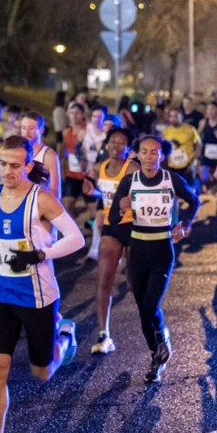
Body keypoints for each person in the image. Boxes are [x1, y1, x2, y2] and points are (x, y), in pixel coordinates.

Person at [0, 135, 84, 433]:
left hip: (38, 299)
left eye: (15, 165)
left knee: (42, 372)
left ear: (29, 166)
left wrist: (40, 254)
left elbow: (76, 238)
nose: (7, 171)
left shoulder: (41, 200)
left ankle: (65, 338)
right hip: (2, 297)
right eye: (2, 164)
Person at [109, 136, 199, 382]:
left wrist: (184, 224)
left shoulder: (171, 179)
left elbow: (194, 201)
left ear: (162, 156)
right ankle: (155, 357)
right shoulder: (130, 181)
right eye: (144, 152)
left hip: (162, 250)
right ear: (137, 154)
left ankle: (161, 335)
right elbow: (113, 219)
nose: (149, 157)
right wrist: (121, 208)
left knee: (151, 306)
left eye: (154, 152)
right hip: (137, 251)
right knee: (143, 310)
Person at [85, 128, 137, 352]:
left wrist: (132, 202)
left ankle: (154, 327)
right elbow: (107, 196)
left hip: (134, 226)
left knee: (134, 284)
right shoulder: (99, 168)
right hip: (111, 225)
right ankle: (104, 335)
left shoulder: (133, 169)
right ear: (106, 144)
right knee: (104, 280)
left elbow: (148, 195)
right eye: (112, 141)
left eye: (121, 142)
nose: (116, 146)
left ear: (128, 148)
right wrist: (92, 193)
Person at [19, 110, 62, 199]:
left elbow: (56, 191)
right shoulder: (18, 151)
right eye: (23, 128)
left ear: (41, 130)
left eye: (31, 128)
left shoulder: (49, 156)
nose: (26, 132)